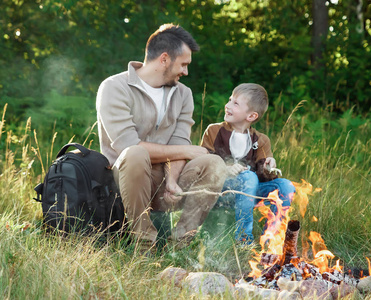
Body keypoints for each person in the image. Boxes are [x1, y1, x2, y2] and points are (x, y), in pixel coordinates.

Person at [96, 24, 227, 252]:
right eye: (183, 64)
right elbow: (129, 146)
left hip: (163, 181)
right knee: (135, 153)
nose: (185, 72)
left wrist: (172, 180)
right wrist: (186, 152)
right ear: (164, 59)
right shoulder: (114, 87)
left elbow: (179, 143)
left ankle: (181, 243)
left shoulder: (183, 94)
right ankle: (144, 244)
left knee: (213, 163)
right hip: (123, 181)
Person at [201, 83, 296, 244]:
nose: (227, 105)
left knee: (286, 186)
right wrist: (226, 169)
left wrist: (268, 166)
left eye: (235, 103)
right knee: (249, 177)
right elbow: (203, 162)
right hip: (221, 191)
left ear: (251, 116)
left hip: (249, 194)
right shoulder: (214, 131)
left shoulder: (261, 140)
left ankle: (271, 240)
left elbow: (263, 176)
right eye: (230, 100)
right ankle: (243, 239)